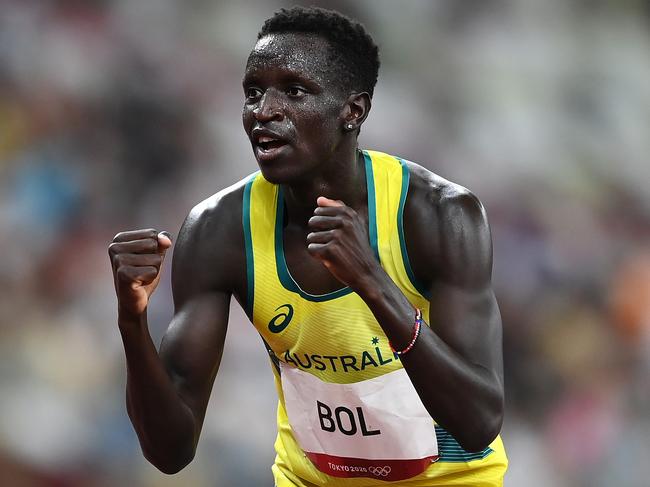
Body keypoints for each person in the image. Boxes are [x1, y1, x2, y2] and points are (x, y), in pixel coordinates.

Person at [108, 6, 508, 486]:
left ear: (352, 110)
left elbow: (479, 423)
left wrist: (373, 282)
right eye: (253, 92)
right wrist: (131, 322)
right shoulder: (219, 231)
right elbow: (170, 452)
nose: (264, 110)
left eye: (294, 91)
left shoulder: (439, 216)